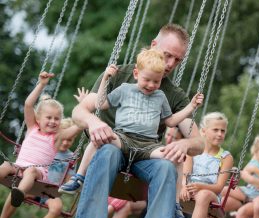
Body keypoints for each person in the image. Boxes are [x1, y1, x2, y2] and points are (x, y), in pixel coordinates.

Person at [68, 23, 205, 218]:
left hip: (144, 156)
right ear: (154, 45)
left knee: (165, 167)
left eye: (178, 59)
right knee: (107, 150)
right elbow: (80, 109)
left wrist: (185, 143)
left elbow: (199, 142)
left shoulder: (171, 94)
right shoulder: (120, 75)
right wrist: (94, 121)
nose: (171, 63)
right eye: (168, 55)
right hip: (112, 149)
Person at [60, 49, 203, 194]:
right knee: (99, 138)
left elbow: (171, 121)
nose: (151, 85)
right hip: (123, 138)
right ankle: (78, 178)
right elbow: (100, 104)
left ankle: (176, 202)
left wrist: (191, 106)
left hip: (148, 145)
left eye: (156, 81)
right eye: (147, 80)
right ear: (136, 74)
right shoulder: (124, 90)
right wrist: (105, 79)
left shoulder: (160, 96)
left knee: (176, 156)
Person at [0, 73, 81, 218]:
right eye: (49, 118)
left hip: (38, 176)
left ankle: (19, 193)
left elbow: (78, 126)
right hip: (18, 167)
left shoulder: (57, 138)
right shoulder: (32, 128)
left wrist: (85, 107)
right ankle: (5, 217)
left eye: (56, 119)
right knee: (5, 166)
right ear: (38, 118)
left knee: (30, 172)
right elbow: (28, 104)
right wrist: (41, 84)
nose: (53, 121)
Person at [180, 112, 233, 218]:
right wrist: (184, 185)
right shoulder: (193, 150)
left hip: (210, 193)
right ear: (204, 131)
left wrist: (200, 186)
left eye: (222, 131)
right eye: (215, 130)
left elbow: (218, 187)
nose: (220, 134)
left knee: (203, 195)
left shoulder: (226, 157)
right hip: (190, 187)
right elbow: (186, 173)